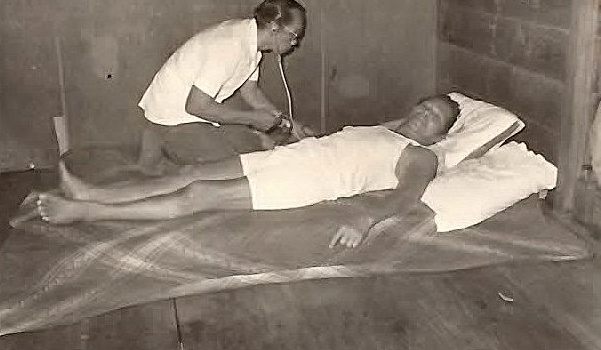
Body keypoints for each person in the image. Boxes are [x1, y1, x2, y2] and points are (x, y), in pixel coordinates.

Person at [37, 95, 460, 248]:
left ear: (441, 134)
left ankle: (87, 211)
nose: (424, 114)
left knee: (197, 195)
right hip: (291, 159)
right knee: (187, 174)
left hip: (305, 181)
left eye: (434, 117)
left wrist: (366, 219)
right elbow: (351, 146)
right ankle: (92, 193)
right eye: (424, 106)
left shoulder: (420, 155)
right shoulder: (380, 131)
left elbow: (407, 194)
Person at [136, 0, 314, 172]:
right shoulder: (232, 46)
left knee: (260, 146)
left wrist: (289, 124)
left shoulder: (251, 44)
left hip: (194, 118)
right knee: (241, 172)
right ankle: (164, 155)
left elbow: (251, 92)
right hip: (172, 121)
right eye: (294, 35)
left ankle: (173, 155)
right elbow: (196, 106)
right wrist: (252, 118)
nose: (295, 42)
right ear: (274, 27)